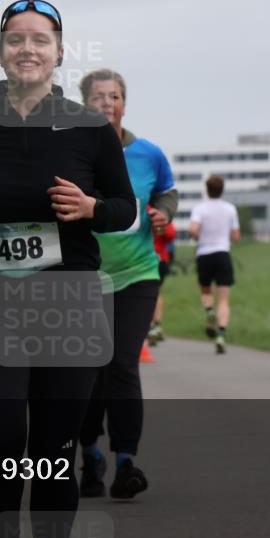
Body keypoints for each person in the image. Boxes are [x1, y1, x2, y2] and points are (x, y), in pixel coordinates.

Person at [0, 0, 135, 538]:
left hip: (67, 299)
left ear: (59, 53)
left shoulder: (91, 128)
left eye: (40, 40)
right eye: (16, 39)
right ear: (0, 51)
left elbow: (124, 208)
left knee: (53, 444)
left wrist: (92, 207)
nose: (28, 49)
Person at [76, 69, 177, 501]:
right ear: (84, 104)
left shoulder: (148, 153)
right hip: (83, 278)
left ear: (124, 104)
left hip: (138, 273)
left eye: (114, 96)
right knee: (89, 372)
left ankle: (125, 461)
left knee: (121, 364)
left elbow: (167, 192)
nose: (107, 103)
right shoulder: (71, 151)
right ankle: (89, 454)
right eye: (98, 97)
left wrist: (163, 214)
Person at [189, 176, 240, 354]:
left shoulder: (200, 208)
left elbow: (193, 230)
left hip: (204, 253)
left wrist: (198, 237)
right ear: (222, 189)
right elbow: (235, 236)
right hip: (223, 253)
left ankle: (209, 311)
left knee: (206, 291)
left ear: (207, 189)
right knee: (224, 298)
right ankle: (221, 334)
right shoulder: (230, 209)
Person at [149, 214, 177, 344]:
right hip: (161, 258)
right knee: (157, 292)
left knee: (146, 292)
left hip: (146, 259)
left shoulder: (142, 210)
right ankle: (157, 324)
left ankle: (151, 326)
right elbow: (171, 235)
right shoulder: (161, 214)